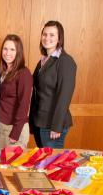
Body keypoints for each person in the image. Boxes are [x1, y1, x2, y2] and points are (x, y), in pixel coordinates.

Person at [30, 20, 76, 149]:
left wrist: (56, 126)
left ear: (59, 38)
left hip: (53, 126)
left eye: (52, 35)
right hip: (40, 122)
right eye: (44, 34)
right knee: (45, 163)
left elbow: (64, 96)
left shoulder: (65, 61)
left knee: (52, 166)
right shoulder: (44, 60)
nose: (47, 38)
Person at [0, 34, 33, 149]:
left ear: (18, 52)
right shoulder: (3, 71)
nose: (7, 53)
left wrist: (15, 133)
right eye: (5, 49)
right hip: (1, 127)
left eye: (12, 49)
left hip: (15, 130)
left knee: (13, 166)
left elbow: (24, 105)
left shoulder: (24, 73)